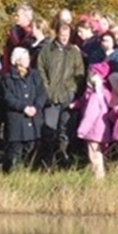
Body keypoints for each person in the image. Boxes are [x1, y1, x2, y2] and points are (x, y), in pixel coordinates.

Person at [36, 23, 85, 168]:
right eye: (62, 35)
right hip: (50, 96)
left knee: (66, 130)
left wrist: (72, 90)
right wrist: (47, 89)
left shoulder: (73, 52)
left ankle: (64, 160)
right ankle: (48, 161)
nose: (64, 38)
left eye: (67, 35)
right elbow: (40, 70)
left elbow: (79, 72)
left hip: (68, 95)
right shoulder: (46, 51)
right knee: (49, 129)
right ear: (57, 34)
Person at [1, 47, 46, 170]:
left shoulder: (35, 75)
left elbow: (42, 93)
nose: (28, 60)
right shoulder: (8, 78)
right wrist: (23, 107)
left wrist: (36, 106)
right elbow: (8, 97)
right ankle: (11, 172)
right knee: (15, 148)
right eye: (25, 58)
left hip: (34, 117)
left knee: (32, 146)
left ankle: (28, 170)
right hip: (17, 118)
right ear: (17, 60)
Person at [76, 66, 113, 179]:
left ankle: (98, 176)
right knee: (100, 152)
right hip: (103, 130)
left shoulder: (94, 97)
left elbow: (90, 116)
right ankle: (99, 173)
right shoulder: (105, 94)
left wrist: (82, 131)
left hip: (93, 130)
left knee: (94, 154)